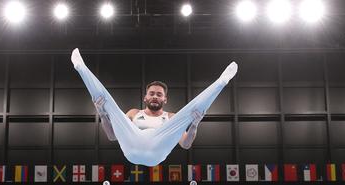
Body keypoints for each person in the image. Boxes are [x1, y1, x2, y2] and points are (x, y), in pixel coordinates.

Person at [71, 48, 237, 167]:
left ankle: (221, 82)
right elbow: (112, 136)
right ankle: (81, 68)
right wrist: (102, 114)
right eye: (152, 93)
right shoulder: (133, 113)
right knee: (107, 105)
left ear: (165, 99)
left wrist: (194, 124)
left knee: (190, 113)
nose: (155, 96)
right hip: (132, 147)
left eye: (159, 94)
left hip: (157, 151)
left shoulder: (171, 118)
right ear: (145, 97)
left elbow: (185, 145)